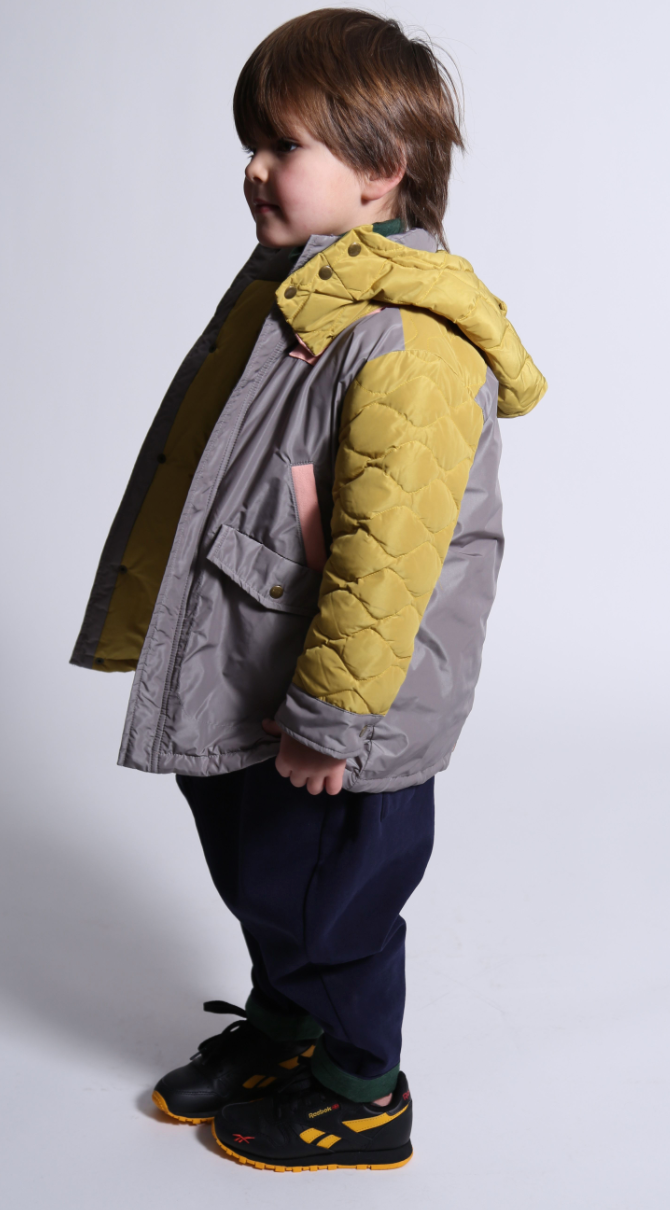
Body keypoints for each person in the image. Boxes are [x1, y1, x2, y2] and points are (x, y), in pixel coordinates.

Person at [72, 7, 546, 1173]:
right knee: (266, 880)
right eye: (252, 140)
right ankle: (286, 1030)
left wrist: (332, 718)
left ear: (381, 172)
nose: (253, 166)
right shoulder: (302, 299)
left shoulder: (409, 346)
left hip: (340, 709)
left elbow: (389, 564)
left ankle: (362, 1090)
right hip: (256, 667)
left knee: (331, 905)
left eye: (282, 144)